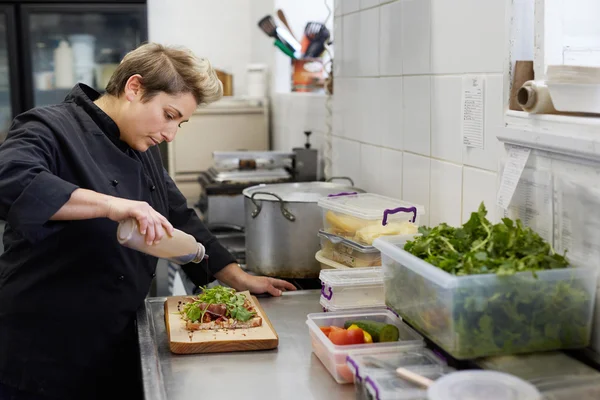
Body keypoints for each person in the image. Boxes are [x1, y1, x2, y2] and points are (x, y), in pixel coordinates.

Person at [0, 42, 296, 400]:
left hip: (117, 337)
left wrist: (239, 278)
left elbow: (178, 214)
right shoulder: (48, 126)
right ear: (134, 87)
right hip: (46, 349)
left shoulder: (142, 146)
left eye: (180, 123)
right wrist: (113, 206)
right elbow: (12, 180)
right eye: (169, 115)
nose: (171, 134)